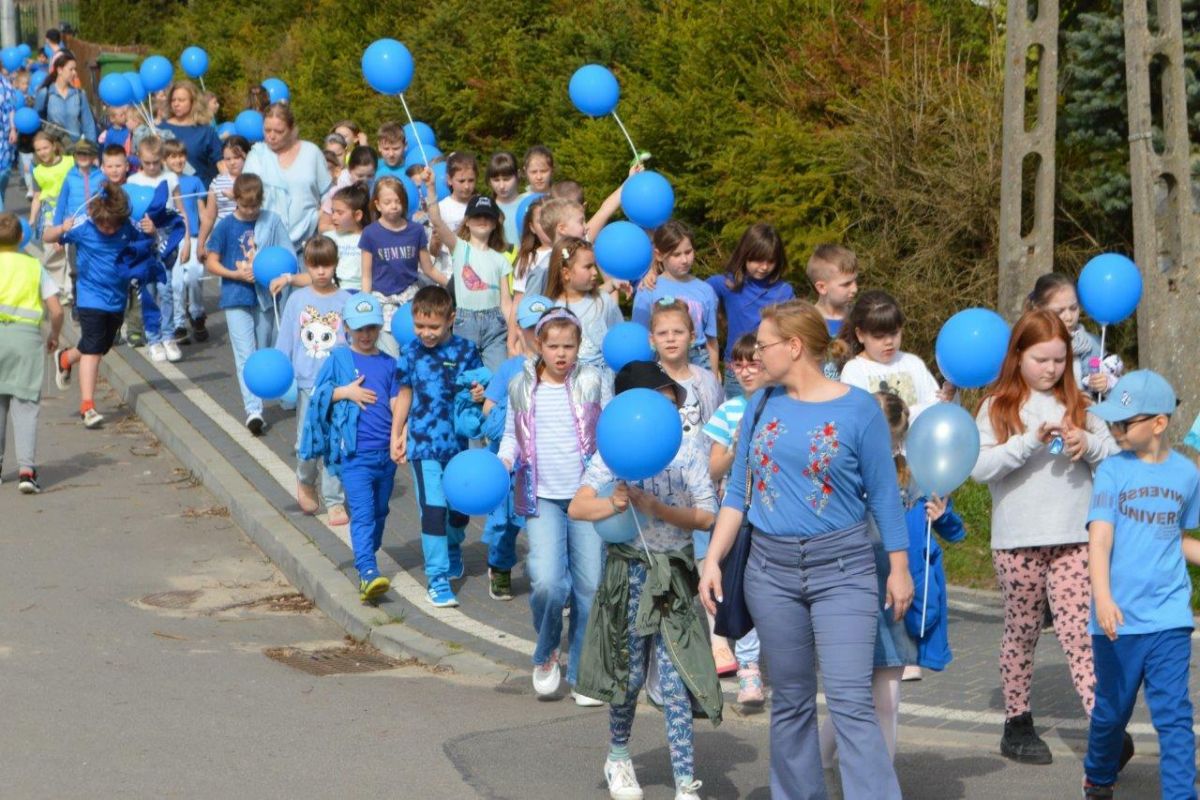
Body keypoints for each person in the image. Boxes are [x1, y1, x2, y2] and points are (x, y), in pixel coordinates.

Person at [698, 299, 914, 800]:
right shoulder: (760, 404)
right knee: (791, 701)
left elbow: (884, 496)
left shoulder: (859, 409)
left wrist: (899, 569)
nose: (753, 358)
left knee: (850, 702)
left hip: (843, 570)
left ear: (794, 347)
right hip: (769, 571)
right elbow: (737, 492)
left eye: (764, 347)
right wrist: (713, 558)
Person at [969, 310, 1122, 765]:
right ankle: (1017, 722)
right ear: (1018, 356)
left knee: (1080, 631)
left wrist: (1088, 445)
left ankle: (1103, 725)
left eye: (1059, 360)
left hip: (1076, 537)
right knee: (1023, 629)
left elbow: (1113, 458)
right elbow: (978, 468)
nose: (1051, 369)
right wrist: (1028, 443)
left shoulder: (1081, 404)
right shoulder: (996, 405)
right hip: (1017, 541)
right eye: (1041, 359)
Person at [571, 360, 721, 800]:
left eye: (669, 395)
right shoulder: (611, 451)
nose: (666, 403)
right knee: (629, 672)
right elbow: (580, 508)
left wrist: (659, 509)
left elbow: (706, 514)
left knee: (677, 679)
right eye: (656, 395)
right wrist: (613, 504)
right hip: (628, 572)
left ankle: (685, 783)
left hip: (672, 575)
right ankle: (618, 756)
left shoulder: (691, 450)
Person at [819, 390, 965, 769]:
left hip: (896, 593)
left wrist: (942, 514)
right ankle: (816, 764)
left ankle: (879, 780)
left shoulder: (914, 477)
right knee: (852, 695)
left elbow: (954, 531)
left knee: (887, 697)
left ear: (899, 435)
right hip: (851, 587)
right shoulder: (842, 472)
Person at [1082, 370, 1200, 799]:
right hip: (1118, 619)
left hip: (1169, 616)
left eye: (1123, 423)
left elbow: (1180, 538)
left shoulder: (1187, 475)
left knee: (1173, 716)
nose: (1114, 430)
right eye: (1112, 422)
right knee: (1111, 714)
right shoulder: (1112, 472)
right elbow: (1100, 539)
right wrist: (1104, 599)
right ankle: (1097, 776)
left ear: (1158, 423)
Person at [496, 306, 605, 703]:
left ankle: (581, 671)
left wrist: (600, 482)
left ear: (579, 346)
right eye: (554, 346)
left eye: (569, 346)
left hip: (585, 497)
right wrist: (503, 462)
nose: (561, 354)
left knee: (590, 586)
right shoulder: (522, 385)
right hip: (540, 495)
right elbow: (511, 436)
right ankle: (546, 654)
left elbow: (608, 435)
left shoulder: (593, 380)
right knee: (546, 581)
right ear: (538, 344)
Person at [300, 293, 403, 603]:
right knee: (362, 514)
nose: (366, 335)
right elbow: (318, 397)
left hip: (385, 456)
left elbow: (398, 402)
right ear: (346, 328)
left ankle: (365, 555)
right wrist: (344, 392)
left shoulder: (389, 364)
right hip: (355, 456)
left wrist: (401, 434)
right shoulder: (339, 360)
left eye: (371, 327)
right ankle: (368, 572)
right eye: (359, 329)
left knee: (381, 510)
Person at [393, 285, 485, 608]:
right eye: (420, 326)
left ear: (451, 320)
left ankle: (454, 545)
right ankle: (437, 578)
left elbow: (479, 388)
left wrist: (479, 394)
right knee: (432, 510)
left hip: (458, 445)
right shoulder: (409, 352)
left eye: (433, 326)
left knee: (458, 510)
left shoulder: (466, 350)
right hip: (423, 445)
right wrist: (397, 434)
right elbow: (404, 394)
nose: (426, 333)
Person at [649, 297, 726, 669]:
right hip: (661, 487)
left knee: (705, 555)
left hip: (702, 485)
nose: (671, 339)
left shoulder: (706, 381)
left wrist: (720, 476)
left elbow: (717, 431)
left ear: (692, 335)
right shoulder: (648, 381)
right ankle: (669, 644)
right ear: (652, 339)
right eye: (663, 333)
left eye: (678, 331)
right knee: (670, 565)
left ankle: (718, 635)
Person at [51, 183, 154, 428]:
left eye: (113, 225)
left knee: (100, 346)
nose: (108, 230)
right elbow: (47, 236)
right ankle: (87, 406)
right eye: (103, 225)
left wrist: (152, 231)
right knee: (94, 350)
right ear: (95, 217)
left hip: (117, 298)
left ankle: (66, 358)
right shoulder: (83, 227)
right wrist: (60, 229)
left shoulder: (127, 228)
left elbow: (147, 243)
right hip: (89, 297)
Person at [701, 333, 768, 705]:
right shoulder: (728, 411)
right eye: (738, 365)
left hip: (777, 511)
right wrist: (736, 445)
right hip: (739, 512)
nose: (745, 371)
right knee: (739, 585)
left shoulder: (783, 403)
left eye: (753, 363)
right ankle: (749, 670)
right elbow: (714, 469)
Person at [204, 173, 291, 434]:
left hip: (265, 296)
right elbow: (211, 261)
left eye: (255, 206)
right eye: (245, 206)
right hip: (236, 295)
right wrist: (235, 274)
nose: (251, 211)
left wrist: (275, 274)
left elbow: (286, 255)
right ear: (236, 201)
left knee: (265, 349)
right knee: (245, 354)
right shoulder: (226, 226)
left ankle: (276, 391)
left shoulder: (272, 221)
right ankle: (254, 410)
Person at [481, 293, 551, 601]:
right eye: (531, 328)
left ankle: (551, 580)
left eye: (544, 328)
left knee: (544, 525)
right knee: (504, 524)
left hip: (544, 464)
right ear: (519, 330)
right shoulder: (509, 369)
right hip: (509, 464)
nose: (538, 335)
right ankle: (500, 567)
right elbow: (488, 409)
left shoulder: (562, 371)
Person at [276, 236, 350, 524]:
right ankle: (305, 479)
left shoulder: (346, 300)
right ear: (306, 265)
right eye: (315, 266)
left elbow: (355, 341)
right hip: (307, 383)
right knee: (307, 439)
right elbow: (286, 340)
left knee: (336, 441)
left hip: (338, 385)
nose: (321, 272)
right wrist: (282, 372)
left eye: (327, 265)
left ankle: (334, 499)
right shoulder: (297, 300)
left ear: (335, 265)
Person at [0, 212, 64, 493]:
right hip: (25, 340)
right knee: (25, 405)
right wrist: (54, 335)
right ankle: (26, 470)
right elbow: (57, 310)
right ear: (21, 237)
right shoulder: (33, 267)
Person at [425, 174, 513, 373]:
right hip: (465, 322)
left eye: (487, 216)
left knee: (496, 376)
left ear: (494, 222)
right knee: (462, 377)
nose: (482, 220)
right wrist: (431, 188)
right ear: (467, 221)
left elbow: (506, 302)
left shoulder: (501, 259)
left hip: (495, 325)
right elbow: (437, 221)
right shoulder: (459, 248)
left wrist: (514, 336)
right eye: (477, 216)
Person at [706, 223, 795, 397]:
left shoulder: (784, 291)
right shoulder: (727, 284)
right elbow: (691, 292)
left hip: (772, 371)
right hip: (738, 371)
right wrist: (652, 272)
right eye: (757, 260)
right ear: (744, 255)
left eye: (770, 261)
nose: (764, 267)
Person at [835, 289, 954, 419]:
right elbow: (864, 420)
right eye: (879, 336)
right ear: (860, 335)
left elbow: (936, 411)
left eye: (894, 333)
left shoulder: (912, 363)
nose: (889, 342)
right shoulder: (854, 371)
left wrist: (946, 398)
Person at [359, 176, 436, 356]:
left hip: (410, 298)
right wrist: (365, 304)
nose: (393, 206)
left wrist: (450, 284)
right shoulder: (370, 233)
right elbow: (366, 275)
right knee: (390, 352)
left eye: (398, 201)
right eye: (387, 202)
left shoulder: (416, 231)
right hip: (383, 299)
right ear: (377, 205)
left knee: (416, 350)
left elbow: (428, 268)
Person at [632, 221, 720, 377]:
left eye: (688, 252)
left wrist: (713, 377)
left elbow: (711, 340)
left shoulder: (705, 291)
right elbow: (640, 338)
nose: (684, 260)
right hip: (662, 361)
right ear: (659, 255)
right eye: (676, 254)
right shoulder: (649, 289)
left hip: (699, 360)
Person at [126, 135, 187, 363]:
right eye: (147, 162)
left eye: (156, 162)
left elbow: (180, 209)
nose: (152, 167)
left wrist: (187, 238)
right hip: (142, 242)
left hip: (166, 240)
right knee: (148, 292)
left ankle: (168, 335)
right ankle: (153, 338)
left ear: (162, 159)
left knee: (166, 288)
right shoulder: (133, 180)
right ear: (139, 158)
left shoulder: (170, 178)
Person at [243, 102, 331, 251]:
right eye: (267, 130)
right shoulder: (256, 155)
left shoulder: (311, 152)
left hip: (309, 240)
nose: (271, 136)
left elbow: (328, 191)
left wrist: (324, 215)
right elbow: (244, 192)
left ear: (291, 129)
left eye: (278, 131)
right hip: (266, 241)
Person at [1026, 272, 1122, 395]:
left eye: (1073, 308)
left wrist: (1107, 384)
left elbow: (1120, 394)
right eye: (1059, 311)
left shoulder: (1093, 344)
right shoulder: (1027, 343)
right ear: (1039, 309)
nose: (1068, 317)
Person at [542, 237, 622, 371]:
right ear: (566, 273)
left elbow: (619, 339)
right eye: (588, 267)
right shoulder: (550, 308)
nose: (595, 272)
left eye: (595, 266)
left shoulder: (603, 300)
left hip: (603, 384)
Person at [164, 138, 209, 344]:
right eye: (173, 156)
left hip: (193, 236)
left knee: (194, 276)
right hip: (173, 237)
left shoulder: (194, 181)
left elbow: (202, 211)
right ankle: (179, 323)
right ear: (165, 160)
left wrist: (203, 238)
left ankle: (197, 314)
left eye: (181, 156)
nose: (178, 160)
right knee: (176, 283)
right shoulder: (163, 182)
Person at [29, 130, 73, 302]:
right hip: (49, 214)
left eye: (45, 148)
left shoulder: (70, 162)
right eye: (38, 150)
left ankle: (70, 289)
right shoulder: (37, 171)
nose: (42, 152)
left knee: (70, 250)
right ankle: (57, 288)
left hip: (70, 212)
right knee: (52, 252)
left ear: (54, 146)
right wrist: (33, 218)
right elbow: (37, 196)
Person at [158, 80, 224, 187]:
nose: (176, 104)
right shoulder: (160, 130)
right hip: (169, 194)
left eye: (181, 100)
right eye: (173, 100)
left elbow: (220, 162)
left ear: (193, 102)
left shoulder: (206, 131)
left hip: (199, 195)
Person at [198, 135, 250, 257]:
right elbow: (209, 216)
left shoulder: (254, 178)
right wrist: (200, 244)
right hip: (223, 236)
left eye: (237, 157)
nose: (232, 162)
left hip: (248, 236)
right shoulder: (217, 181)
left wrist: (236, 197)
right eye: (227, 159)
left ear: (247, 155)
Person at [33, 51, 96, 144]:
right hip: (54, 151)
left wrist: (91, 148)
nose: (74, 73)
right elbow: (36, 122)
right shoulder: (45, 94)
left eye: (75, 69)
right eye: (71, 69)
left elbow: (88, 125)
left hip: (75, 150)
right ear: (59, 70)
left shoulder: (79, 95)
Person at [323, 183, 369, 291]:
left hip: (362, 293)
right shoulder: (329, 238)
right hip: (335, 292)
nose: (333, 217)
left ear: (358, 215)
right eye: (333, 211)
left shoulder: (370, 238)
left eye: (340, 213)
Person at [808, 244, 859, 337]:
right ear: (822, 287)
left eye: (855, 281)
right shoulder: (808, 323)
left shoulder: (860, 317)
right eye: (846, 284)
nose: (855, 289)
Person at [437, 151, 478, 235]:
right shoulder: (442, 208)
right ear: (449, 180)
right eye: (461, 181)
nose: (466, 186)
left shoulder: (480, 204)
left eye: (471, 180)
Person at [486, 151, 522, 247]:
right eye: (496, 180)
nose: (501, 186)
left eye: (506, 179)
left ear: (518, 175)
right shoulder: (487, 208)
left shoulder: (527, 204)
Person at [0, 65, 20, 212]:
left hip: (4, 139)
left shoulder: (5, 84)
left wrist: (13, 129)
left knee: (2, 180)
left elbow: (11, 108)